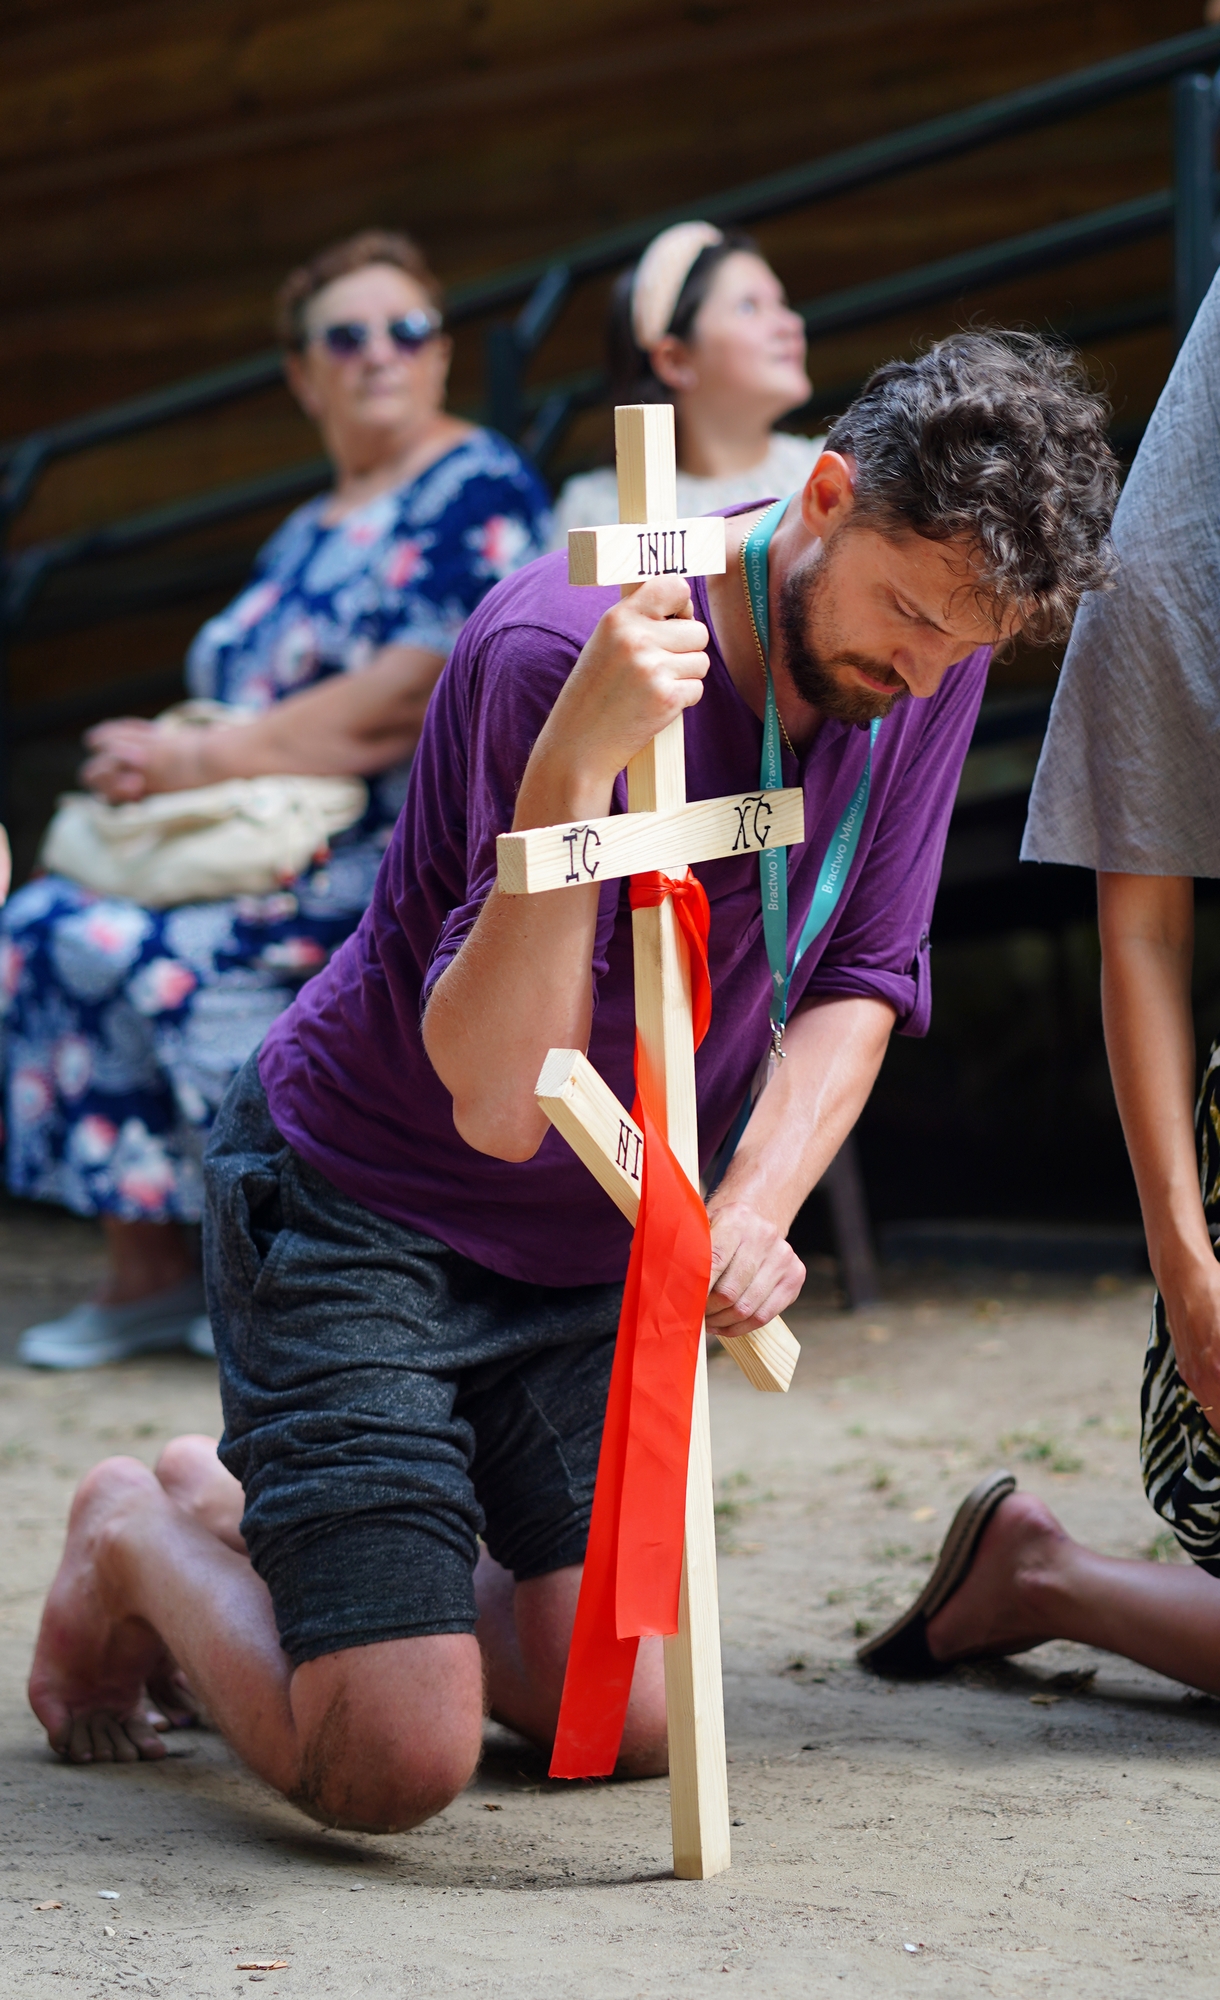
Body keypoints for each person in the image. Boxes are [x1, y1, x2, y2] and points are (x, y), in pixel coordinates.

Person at [28, 333, 1116, 1830]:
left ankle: (280, 1523)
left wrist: (752, 1203)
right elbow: (490, 1093)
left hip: (594, 1237)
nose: (924, 672)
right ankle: (139, 1535)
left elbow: (864, 976)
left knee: (637, 1712)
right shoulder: (556, 644)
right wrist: (571, 774)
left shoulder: (911, 671)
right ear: (822, 495)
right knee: (396, 1761)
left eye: (967, 648)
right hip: (367, 1205)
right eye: (913, 615)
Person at [2, 227, 549, 1370]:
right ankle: (148, 1272)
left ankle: (261, 1263)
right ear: (302, 375)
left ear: (441, 352)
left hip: (386, 852)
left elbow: (408, 693)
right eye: (344, 337)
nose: (379, 354)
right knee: (45, 924)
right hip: (257, 841)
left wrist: (196, 763)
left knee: (159, 945)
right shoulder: (304, 529)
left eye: (407, 328)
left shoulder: (476, 486)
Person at [860, 271, 1220, 1697]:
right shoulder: (1184, 532)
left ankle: (1040, 1574)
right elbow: (1142, 929)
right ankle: (1047, 1575)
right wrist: (1189, 1271)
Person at [549, 221, 820, 542]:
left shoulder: (829, 473)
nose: (790, 324)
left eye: (782, 304)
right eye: (749, 307)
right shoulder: (596, 512)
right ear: (675, 360)